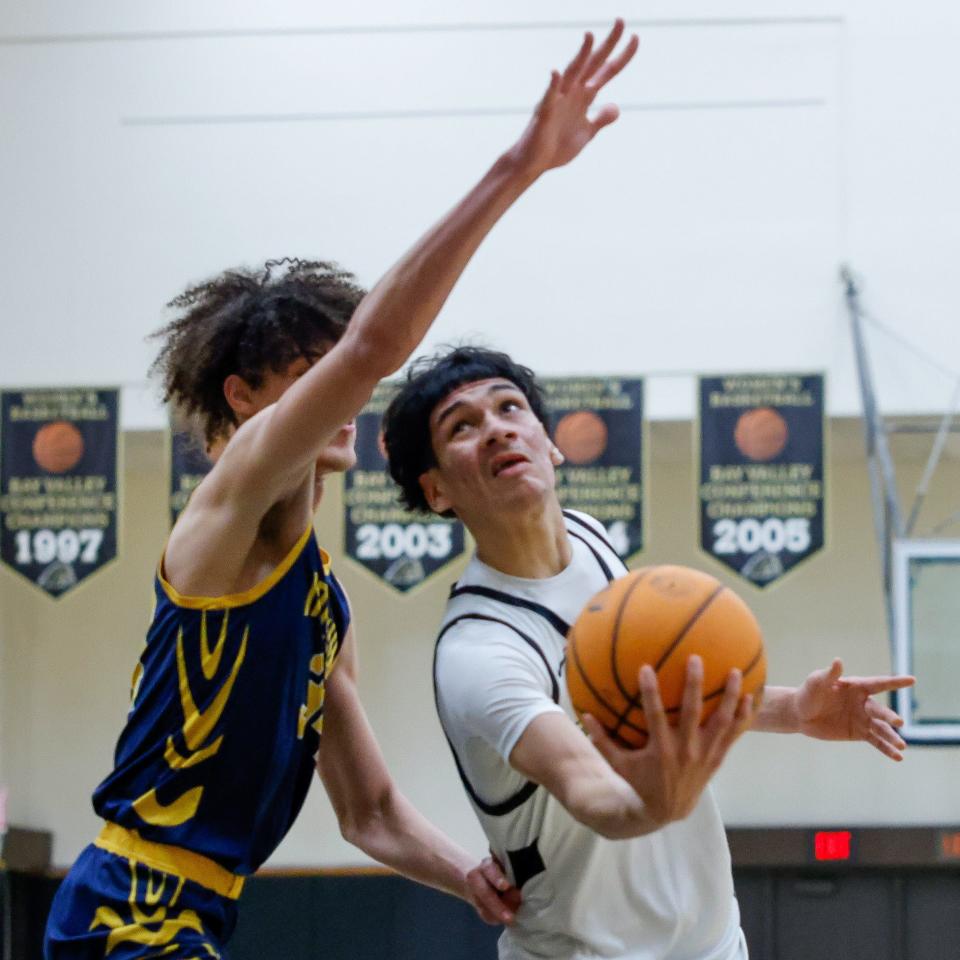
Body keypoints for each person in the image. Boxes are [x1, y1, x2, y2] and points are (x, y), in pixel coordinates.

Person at [43, 22, 640, 959]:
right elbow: (374, 347)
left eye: (337, 374)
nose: (346, 395)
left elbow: (369, 812)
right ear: (245, 401)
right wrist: (515, 170)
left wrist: (471, 879)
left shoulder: (323, 607)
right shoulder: (225, 507)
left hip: (199, 913)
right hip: (128, 903)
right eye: (308, 375)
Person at [381, 345, 916, 960]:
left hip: (715, 943)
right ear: (437, 489)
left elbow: (656, 702)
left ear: (550, 446)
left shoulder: (590, 538)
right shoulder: (479, 651)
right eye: (462, 426)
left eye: (509, 407)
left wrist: (791, 709)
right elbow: (591, 794)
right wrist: (658, 799)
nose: (496, 428)